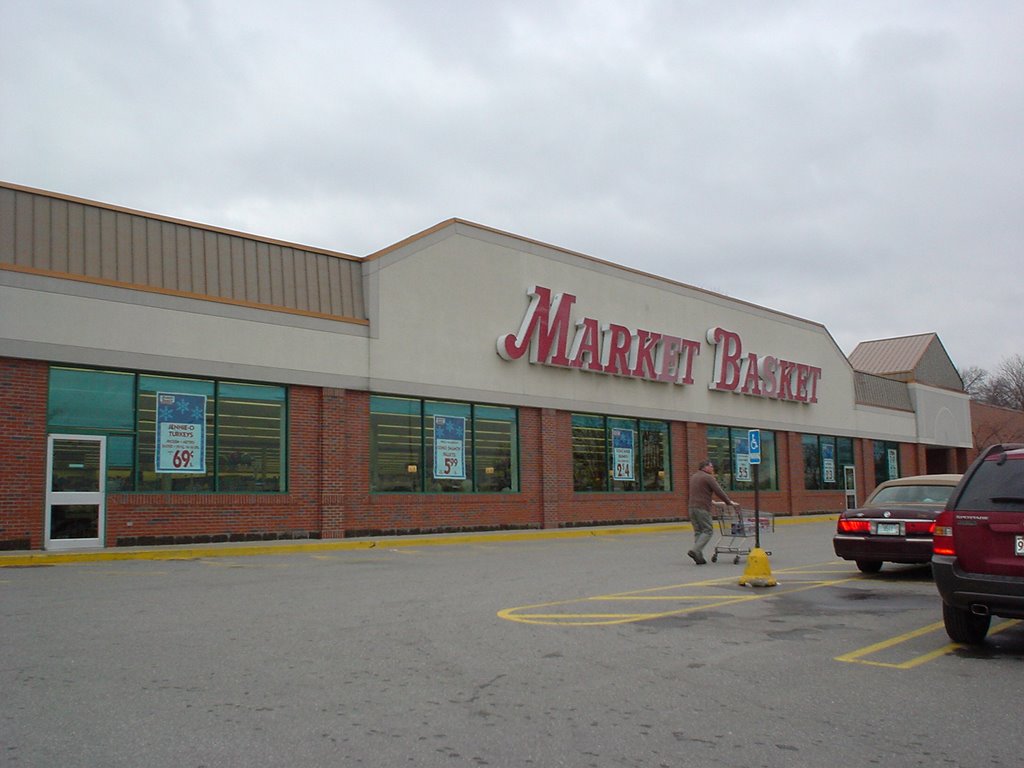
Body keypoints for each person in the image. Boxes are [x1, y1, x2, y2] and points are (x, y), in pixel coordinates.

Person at [687, 459, 738, 564]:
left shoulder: (694, 477)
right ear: (705, 467)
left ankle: (698, 556)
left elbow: (698, 492)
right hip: (702, 508)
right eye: (711, 466)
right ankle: (695, 550)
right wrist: (728, 502)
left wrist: (711, 501)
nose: (712, 468)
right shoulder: (708, 477)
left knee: (698, 531)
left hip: (692, 507)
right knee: (708, 530)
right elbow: (719, 491)